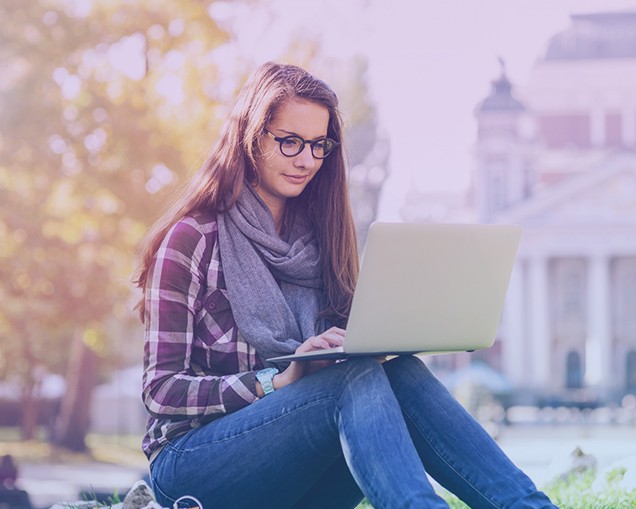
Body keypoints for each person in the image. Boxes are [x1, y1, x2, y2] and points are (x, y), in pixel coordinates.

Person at [135, 61, 558, 509]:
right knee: (350, 381)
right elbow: (160, 390)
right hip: (194, 467)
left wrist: (370, 341)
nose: (306, 160)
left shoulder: (321, 241)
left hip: (301, 467)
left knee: (401, 372)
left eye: (319, 146)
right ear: (250, 137)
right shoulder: (193, 238)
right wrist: (277, 380)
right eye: (290, 142)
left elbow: (347, 362)